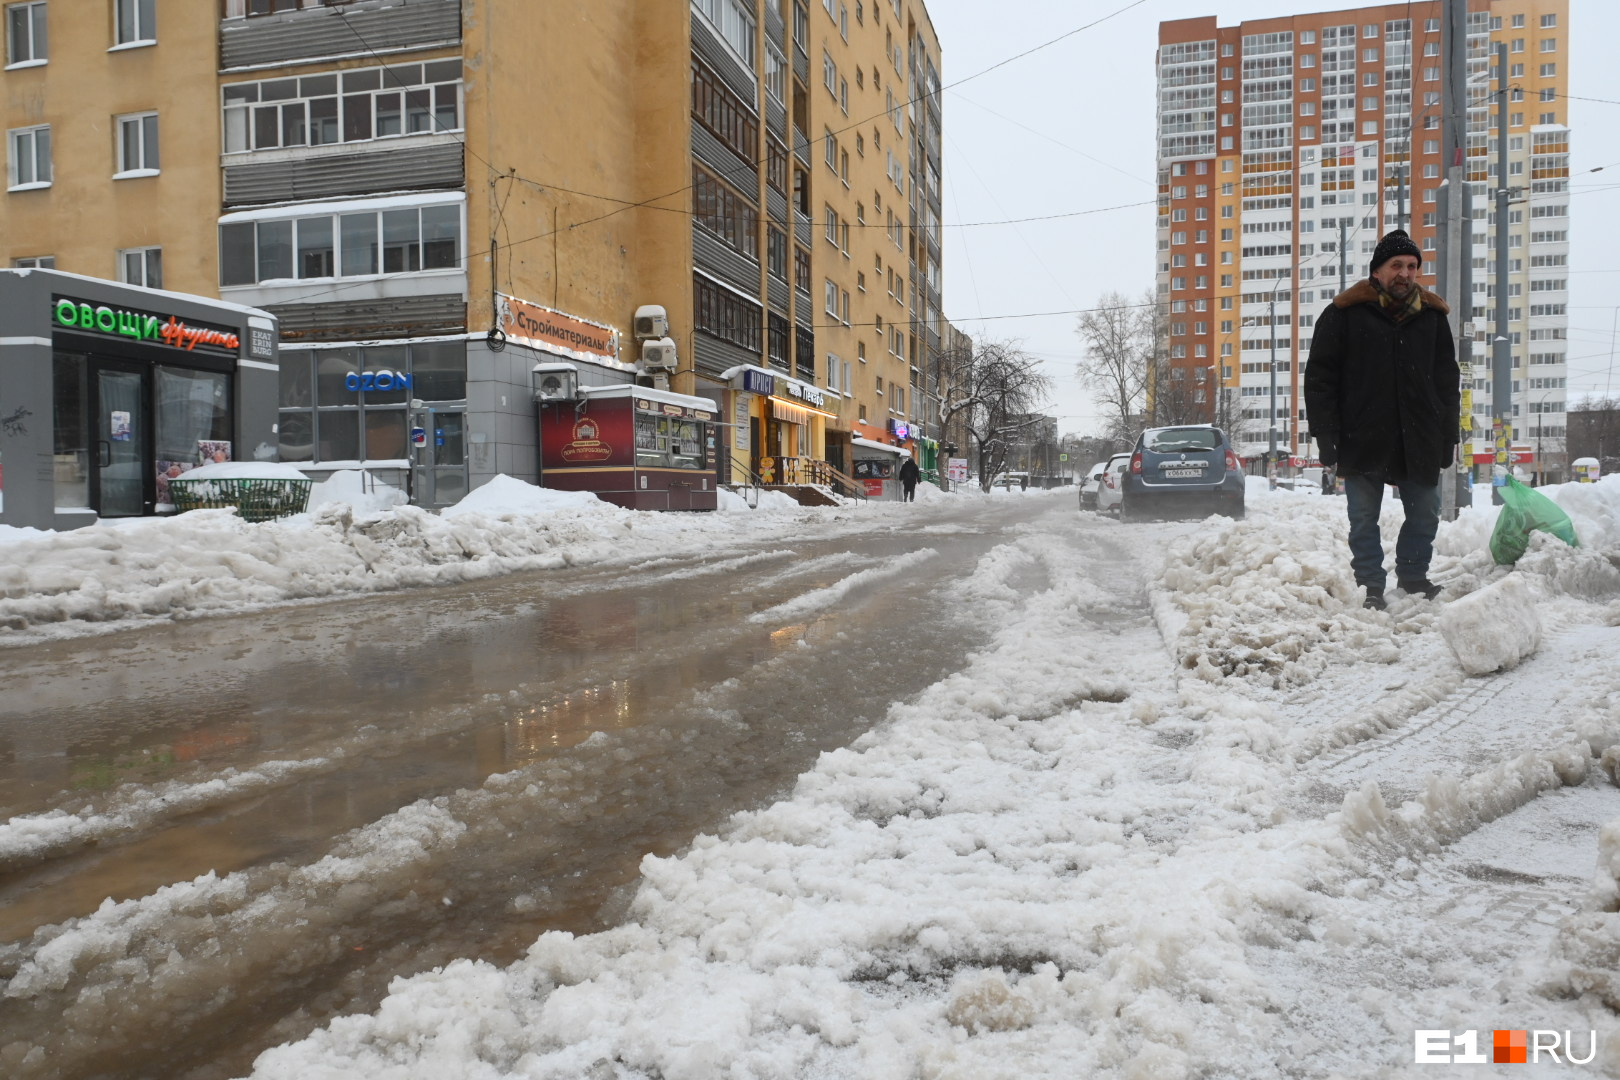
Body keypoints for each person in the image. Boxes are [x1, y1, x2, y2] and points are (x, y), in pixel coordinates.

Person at [1304, 229, 1459, 611]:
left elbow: (1447, 381)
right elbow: (1320, 378)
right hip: (1362, 434)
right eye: (1396, 266)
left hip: (1418, 436)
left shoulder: (1433, 318)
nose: (1405, 273)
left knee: (1425, 512)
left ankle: (1413, 575)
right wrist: (1326, 434)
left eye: (1411, 266)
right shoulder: (1344, 314)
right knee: (1363, 518)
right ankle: (1370, 585)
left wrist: (1447, 435)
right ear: (1377, 271)